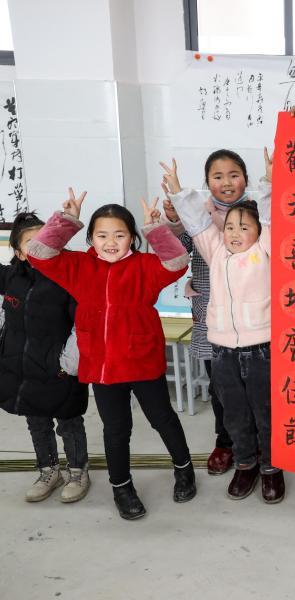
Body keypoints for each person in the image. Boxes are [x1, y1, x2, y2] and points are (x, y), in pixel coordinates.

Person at [27, 190, 195, 520]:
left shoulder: (146, 266)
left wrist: (156, 230)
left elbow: (177, 263)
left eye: (120, 234)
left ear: (132, 238)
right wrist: (66, 221)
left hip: (142, 360)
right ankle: (122, 487)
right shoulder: (77, 266)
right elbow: (39, 254)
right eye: (102, 235)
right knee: (116, 429)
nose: (110, 242)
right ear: (90, 237)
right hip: (102, 367)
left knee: (162, 418)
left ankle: (185, 469)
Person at [168, 148, 283, 503]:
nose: (234, 232)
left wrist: (269, 182)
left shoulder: (264, 251)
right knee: (234, 414)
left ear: (258, 232)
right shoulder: (215, 252)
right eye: (230, 226)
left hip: (261, 349)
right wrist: (177, 191)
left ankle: (271, 469)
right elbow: (198, 224)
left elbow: (270, 217)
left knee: (265, 412)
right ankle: (246, 464)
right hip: (222, 352)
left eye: (244, 227)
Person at [0, 211, 90, 504]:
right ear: (19, 253)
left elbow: (82, 324)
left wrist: (68, 364)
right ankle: (48, 470)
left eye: (46, 237)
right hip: (23, 369)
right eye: (31, 241)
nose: (41, 244)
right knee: (37, 422)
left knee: (69, 422)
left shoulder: (67, 276)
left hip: (58, 367)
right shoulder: (12, 277)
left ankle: (77, 470)